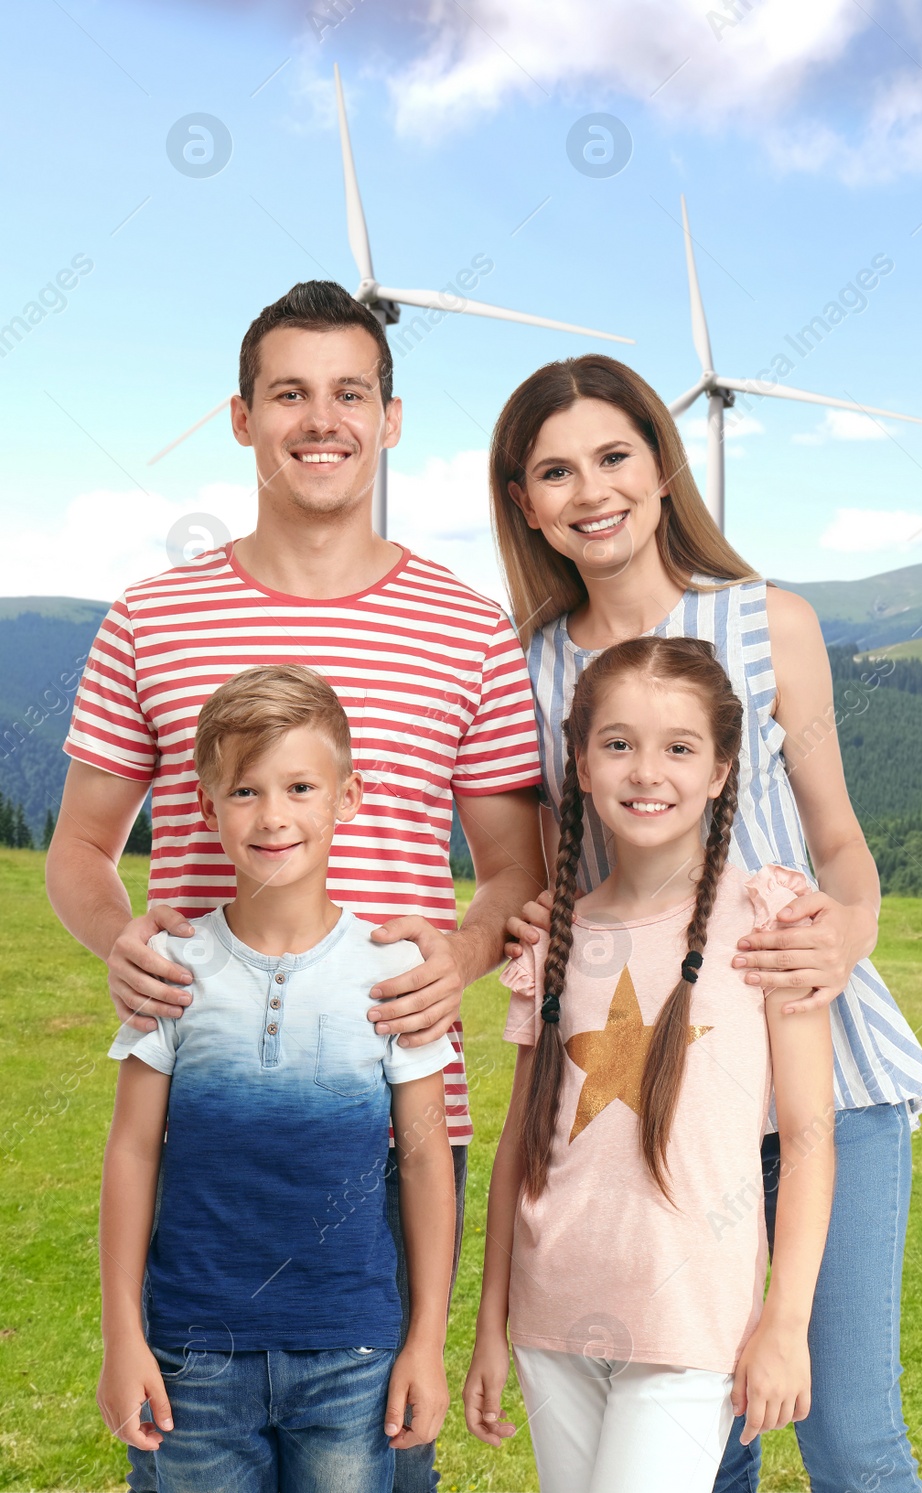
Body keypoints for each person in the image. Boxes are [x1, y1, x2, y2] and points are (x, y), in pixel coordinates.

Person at [47, 280, 545, 1492]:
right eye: (289, 393)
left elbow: (517, 869)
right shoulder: (148, 619)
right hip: (205, 1111)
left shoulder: (468, 627)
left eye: (347, 394)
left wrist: (458, 960)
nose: (319, 419)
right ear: (241, 417)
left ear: (388, 419)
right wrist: (123, 941)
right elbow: (78, 852)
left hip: (397, 1120)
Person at [491, 355, 922, 1491]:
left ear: (661, 465)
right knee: (703, 1429)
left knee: (844, 1429)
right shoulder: (532, 663)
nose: (590, 490)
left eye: (613, 456)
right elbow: (566, 866)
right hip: (655, 1074)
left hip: (816, 1066)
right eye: (554, 470)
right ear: (523, 500)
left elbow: (838, 840)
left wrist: (849, 927)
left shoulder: (767, 623)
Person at [462, 636, 836, 1492]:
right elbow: (519, 1143)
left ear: (720, 769)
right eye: (619, 743)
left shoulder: (770, 917)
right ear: (582, 764)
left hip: (688, 1326)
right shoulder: (555, 933)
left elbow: (811, 1139)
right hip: (551, 1316)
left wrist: (787, 1319)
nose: (646, 771)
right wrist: (492, 1321)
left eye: (679, 747)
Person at [97, 665, 456, 1491]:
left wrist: (425, 1342)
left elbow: (427, 1160)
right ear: (205, 804)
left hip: (352, 1356)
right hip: (191, 1357)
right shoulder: (170, 970)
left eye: (300, 785)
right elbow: (133, 1151)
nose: (274, 815)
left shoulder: (392, 970)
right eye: (246, 790)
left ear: (348, 796)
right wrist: (125, 1334)